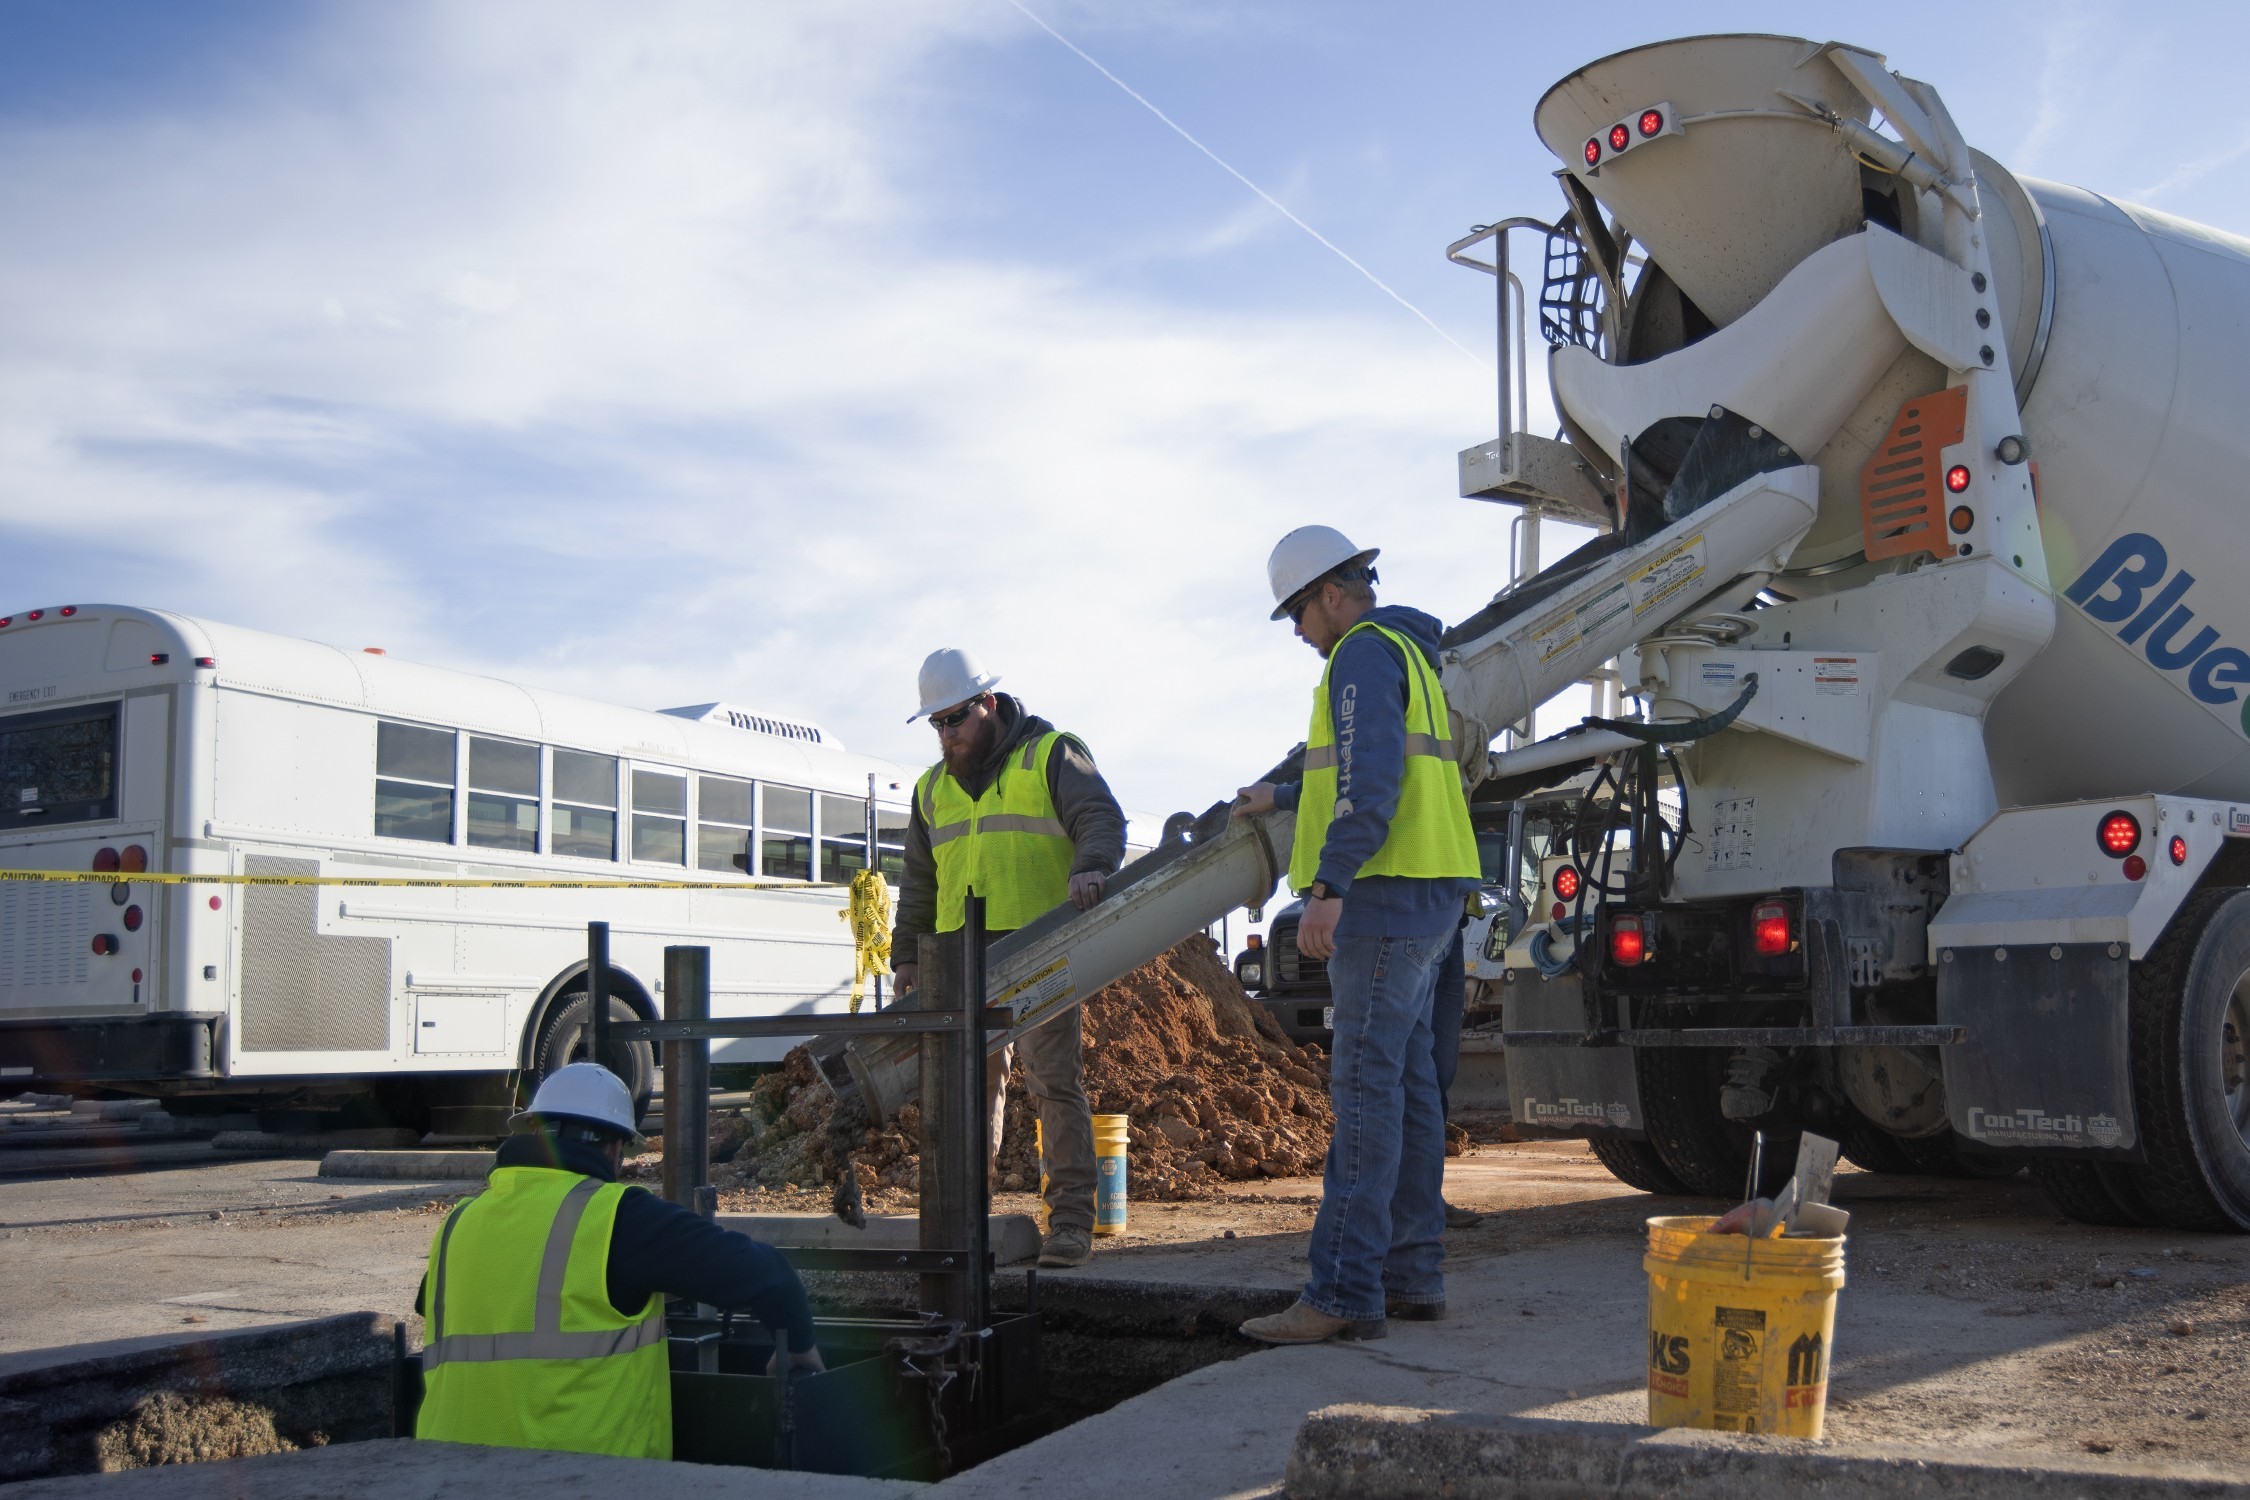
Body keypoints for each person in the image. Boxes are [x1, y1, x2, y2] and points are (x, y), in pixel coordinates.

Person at [1233, 526, 1481, 1344]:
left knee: (1366, 1095)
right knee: (1407, 1090)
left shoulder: (1358, 655)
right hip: (1434, 895)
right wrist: (1274, 791)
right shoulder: (1409, 654)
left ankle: (1341, 1291)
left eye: (1298, 613)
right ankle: (1413, 1277)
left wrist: (1331, 886)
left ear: (1331, 595)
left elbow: (1368, 777)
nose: (1300, 632)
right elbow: (1347, 759)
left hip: (1380, 895)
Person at [415, 1063, 821, 1458]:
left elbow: (449, 1305)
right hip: (573, 1480)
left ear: (532, 1132)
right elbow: (769, 1276)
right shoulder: (615, 1217)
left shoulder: (458, 1223)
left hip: (445, 1474)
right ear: (613, 1149)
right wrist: (799, 1349)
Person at [892, 647, 1126, 1270]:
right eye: (936, 724)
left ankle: (1072, 1222)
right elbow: (918, 880)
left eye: (955, 719)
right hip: (955, 959)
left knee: (1053, 1084)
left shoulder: (1049, 755)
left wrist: (1093, 867)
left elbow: (1099, 817)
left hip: (1038, 947)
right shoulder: (930, 789)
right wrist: (906, 956)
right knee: (966, 1091)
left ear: (987, 705)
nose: (945, 734)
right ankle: (965, 1217)